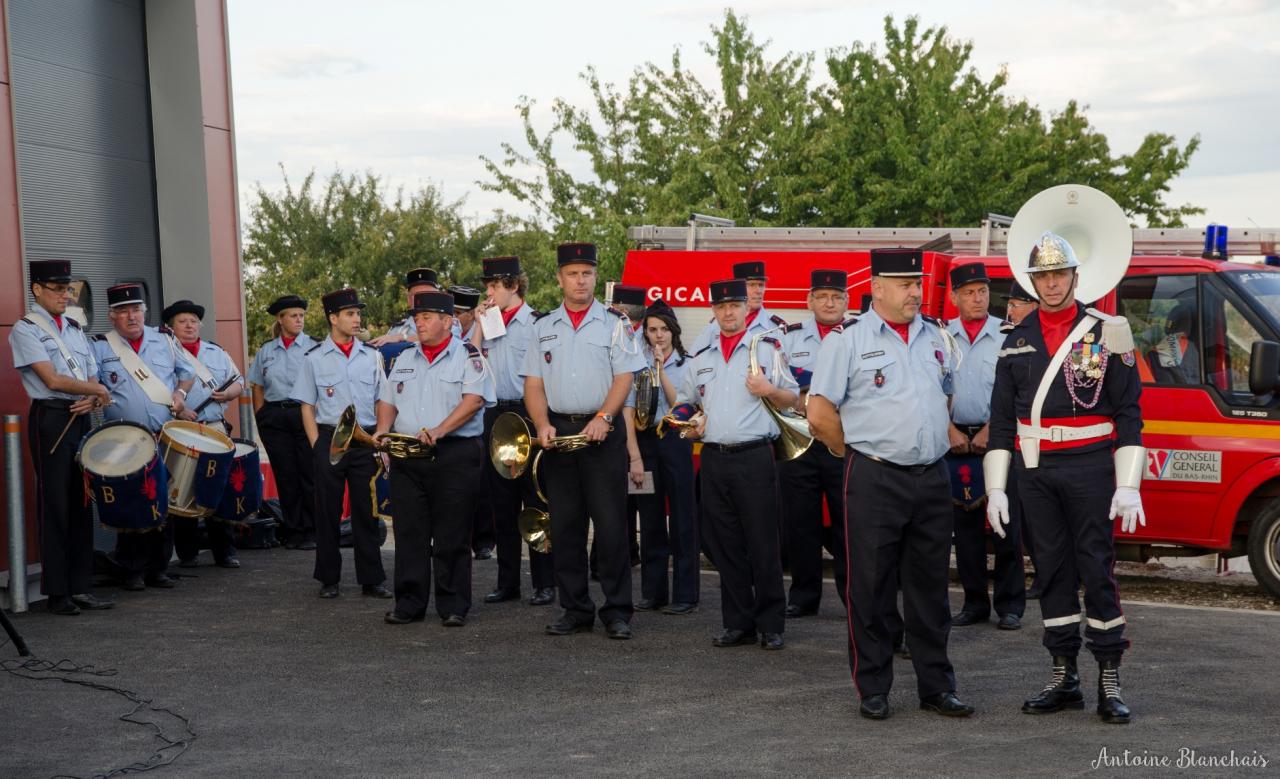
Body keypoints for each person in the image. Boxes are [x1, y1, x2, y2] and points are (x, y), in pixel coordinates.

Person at [983, 232, 1145, 724]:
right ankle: (1063, 674)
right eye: (1042, 277)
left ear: (1075, 277)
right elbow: (1003, 421)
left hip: (1091, 467)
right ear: (1031, 282)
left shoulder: (1108, 331)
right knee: (1050, 570)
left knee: (1095, 568)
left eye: (1059, 275)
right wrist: (995, 487)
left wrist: (1128, 482)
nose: (1051, 284)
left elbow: (1129, 411)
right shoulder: (1015, 341)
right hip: (1036, 471)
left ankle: (1109, 676)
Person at [807, 248, 974, 721]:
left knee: (930, 590)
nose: (915, 293)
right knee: (871, 587)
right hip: (875, 476)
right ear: (877, 288)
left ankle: (937, 687)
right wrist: (854, 454)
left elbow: (945, 398)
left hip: (931, 476)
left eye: (917, 284)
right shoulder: (848, 340)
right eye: (904, 285)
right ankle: (873, 687)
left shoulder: (936, 337)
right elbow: (819, 413)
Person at [519, 242, 645, 639]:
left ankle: (617, 610)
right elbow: (534, 384)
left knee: (611, 528)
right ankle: (575, 608)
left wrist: (605, 417)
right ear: (559, 278)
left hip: (602, 435)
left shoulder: (616, 324)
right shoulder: (543, 328)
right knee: (566, 526)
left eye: (586, 273)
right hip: (558, 435)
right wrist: (541, 423)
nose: (580, 280)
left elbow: (625, 376)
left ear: (595, 277)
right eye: (572, 273)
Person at [676, 278, 796, 650]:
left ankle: (771, 623)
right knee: (724, 544)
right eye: (721, 306)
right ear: (713, 311)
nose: (728, 312)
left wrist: (769, 391)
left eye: (735, 305)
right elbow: (686, 401)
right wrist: (688, 422)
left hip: (755, 457)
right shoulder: (702, 357)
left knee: (762, 542)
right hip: (714, 458)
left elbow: (792, 398)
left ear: (747, 309)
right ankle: (737, 622)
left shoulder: (767, 349)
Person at [376, 290, 495, 627]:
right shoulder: (404, 358)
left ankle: (453, 604)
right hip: (408, 455)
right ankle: (409, 603)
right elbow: (388, 399)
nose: (419, 322)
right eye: (417, 317)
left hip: (453, 454)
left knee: (452, 533)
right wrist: (384, 432)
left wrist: (440, 429)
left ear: (448, 321)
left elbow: (473, 401)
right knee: (410, 531)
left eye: (427, 317)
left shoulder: (468, 356)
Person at [9, 260, 114, 614]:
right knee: (55, 503)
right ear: (37, 289)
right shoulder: (26, 329)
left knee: (82, 502)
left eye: (68, 290)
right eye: (56, 289)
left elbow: (90, 372)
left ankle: (80, 584)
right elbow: (51, 379)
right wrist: (95, 389)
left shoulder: (73, 328)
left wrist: (92, 395)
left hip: (80, 416)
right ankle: (57, 591)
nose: (64, 296)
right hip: (53, 418)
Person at [92, 283, 195, 591]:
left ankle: (159, 567)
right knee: (131, 502)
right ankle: (131, 569)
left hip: (163, 435)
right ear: (112, 317)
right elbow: (92, 384)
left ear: (144, 312)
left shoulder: (164, 339)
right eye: (123, 312)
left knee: (163, 502)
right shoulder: (100, 346)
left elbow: (186, 374)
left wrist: (179, 394)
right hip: (124, 438)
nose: (131, 317)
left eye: (136, 310)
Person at [292, 288, 392, 600]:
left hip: (364, 440)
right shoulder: (314, 359)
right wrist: (315, 445)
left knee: (366, 511)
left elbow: (383, 399)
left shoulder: (372, 356)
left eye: (358, 313)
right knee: (327, 512)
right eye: (350, 314)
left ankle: (371, 579)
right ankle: (328, 578)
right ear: (333, 318)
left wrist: (381, 440)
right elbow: (307, 405)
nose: (356, 319)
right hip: (328, 437)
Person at [945, 265, 1026, 631]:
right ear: (954, 297)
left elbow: (1019, 392)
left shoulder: (1009, 335)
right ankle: (975, 602)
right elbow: (931, 388)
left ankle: (1010, 606)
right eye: (969, 292)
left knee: (1006, 524)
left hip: (999, 440)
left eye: (982, 292)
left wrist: (992, 431)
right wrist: (948, 429)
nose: (977, 299)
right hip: (954, 440)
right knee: (965, 530)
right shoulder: (941, 337)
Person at [474, 256, 556, 607]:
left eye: (494, 286)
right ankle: (508, 582)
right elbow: (471, 360)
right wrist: (478, 323)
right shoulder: (488, 323)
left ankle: (544, 582)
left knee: (535, 500)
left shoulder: (537, 323)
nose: (489, 292)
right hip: (496, 415)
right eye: (488, 286)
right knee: (502, 504)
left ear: (513, 286)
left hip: (527, 414)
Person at [778, 269, 850, 618]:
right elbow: (782, 383)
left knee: (847, 522)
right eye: (822, 296)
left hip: (842, 441)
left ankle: (852, 593)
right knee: (801, 522)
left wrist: (810, 386)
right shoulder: (790, 338)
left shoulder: (856, 335)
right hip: (801, 441)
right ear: (810, 300)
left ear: (846, 301)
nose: (829, 302)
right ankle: (803, 596)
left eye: (836, 297)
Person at [162, 299, 246, 570]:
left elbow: (239, 382)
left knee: (218, 488)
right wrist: (179, 410)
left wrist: (229, 393)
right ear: (171, 327)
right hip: (181, 429)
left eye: (193, 321)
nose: (189, 326)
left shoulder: (215, 351)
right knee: (183, 489)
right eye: (182, 322)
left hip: (214, 428)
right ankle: (188, 554)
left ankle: (225, 551)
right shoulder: (165, 354)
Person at [633, 299, 699, 614]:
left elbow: (681, 405)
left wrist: (661, 368)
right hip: (646, 444)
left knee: (683, 517)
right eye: (652, 330)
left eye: (663, 330)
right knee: (650, 516)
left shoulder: (688, 363)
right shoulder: (636, 362)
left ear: (673, 332)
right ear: (645, 333)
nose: (658, 336)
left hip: (676, 438)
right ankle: (653, 591)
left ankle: (685, 594)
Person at [248, 295, 319, 550]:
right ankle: (293, 531)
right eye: (293, 315)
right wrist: (262, 416)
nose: (299, 320)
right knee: (286, 476)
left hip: (305, 414)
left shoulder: (314, 347)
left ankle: (311, 531)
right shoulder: (267, 350)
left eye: (301, 315)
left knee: (308, 474)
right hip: (275, 416)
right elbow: (257, 386)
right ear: (280, 319)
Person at [1000, 283, 1042, 598]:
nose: (1009, 311)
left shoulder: (1041, 342)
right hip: (1009, 442)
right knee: (1018, 519)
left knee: (1037, 517)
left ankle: (1047, 573)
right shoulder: (1009, 339)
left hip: (1036, 443)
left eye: (1015, 304)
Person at [449, 285, 495, 560]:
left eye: (459, 313)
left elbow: (474, 353)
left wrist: (479, 324)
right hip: (451, 409)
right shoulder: (449, 331)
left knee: (483, 479)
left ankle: (484, 539)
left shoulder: (486, 326)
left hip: (480, 407)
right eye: (450, 312)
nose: (454, 318)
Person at [688, 261, 788, 353]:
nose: (758, 291)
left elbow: (787, 365)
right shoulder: (718, 324)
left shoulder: (777, 327)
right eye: (751, 285)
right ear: (739, 288)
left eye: (761, 285)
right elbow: (694, 358)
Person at [368, 268, 460, 347]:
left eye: (427, 294)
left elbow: (449, 340)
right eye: (416, 295)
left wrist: (402, 338)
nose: (422, 299)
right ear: (408, 299)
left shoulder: (448, 322)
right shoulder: (397, 329)